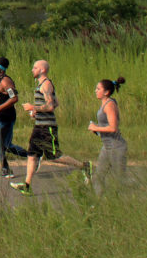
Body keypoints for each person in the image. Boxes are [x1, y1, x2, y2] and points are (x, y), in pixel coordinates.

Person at [10, 59, 89, 195]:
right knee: (32, 155)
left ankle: (84, 166)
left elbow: (51, 106)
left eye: (35, 68)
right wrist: (37, 112)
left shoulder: (46, 85)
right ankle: (27, 185)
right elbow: (56, 102)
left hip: (47, 128)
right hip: (39, 126)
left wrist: (33, 107)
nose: (32, 70)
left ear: (42, 70)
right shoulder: (42, 84)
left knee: (54, 156)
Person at [0, 56, 28, 178]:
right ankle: (5, 169)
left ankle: (32, 156)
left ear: (1, 69)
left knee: (5, 145)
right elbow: (3, 98)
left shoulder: (6, 82)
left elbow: (14, 98)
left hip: (6, 118)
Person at [87, 77, 128, 193]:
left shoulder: (109, 105)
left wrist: (96, 127)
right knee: (97, 178)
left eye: (98, 89)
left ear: (106, 92)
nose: (95, 91)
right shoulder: (104, 103)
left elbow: (113, 127)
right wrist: (97, 131)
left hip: (117, 147)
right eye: (96, 88)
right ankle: (97, 206)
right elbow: (106, 128)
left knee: (121, 181)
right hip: (106, 147)